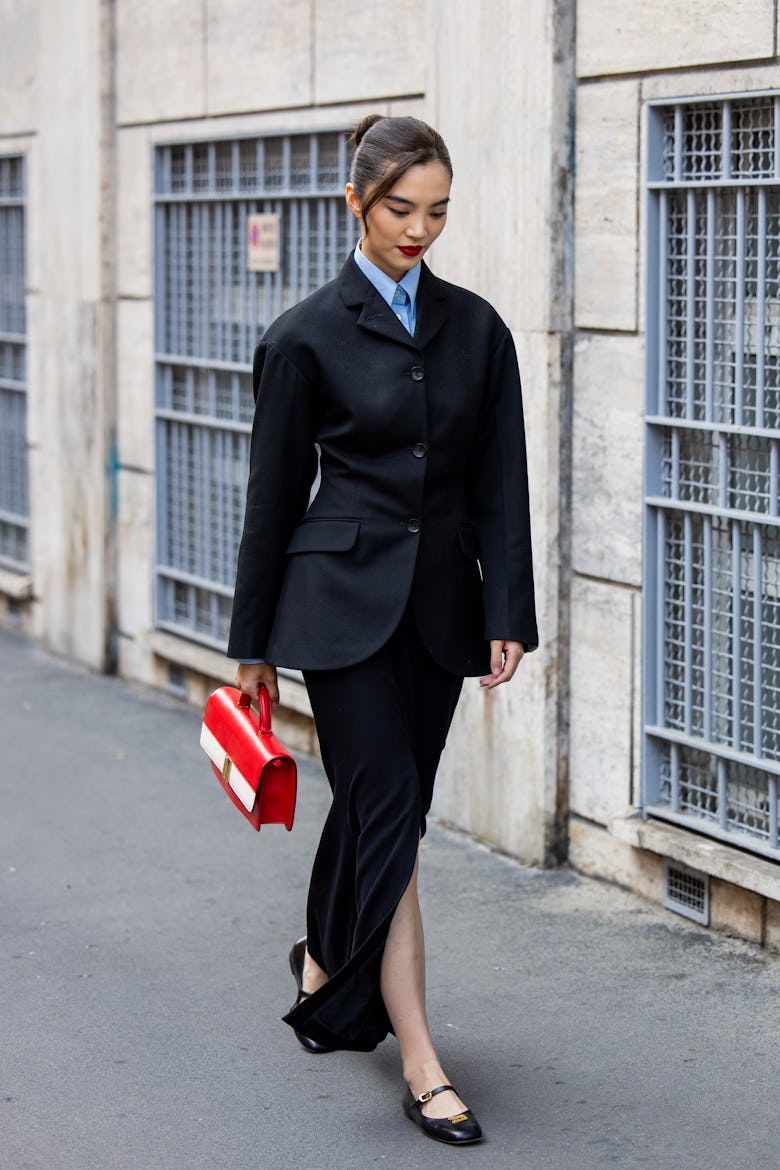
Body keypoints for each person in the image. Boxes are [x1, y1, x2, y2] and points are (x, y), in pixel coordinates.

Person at [228, 114, 537, 1147]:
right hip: (338, 608)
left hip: (444, 608)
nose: (421, 228)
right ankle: (419, 1063)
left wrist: (509, 612)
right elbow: (272, 502)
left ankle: (324, 960)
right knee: (393, 812)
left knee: (378, 809)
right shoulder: (304, 334)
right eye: (402, 208)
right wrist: (252, 643)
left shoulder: (479, 330)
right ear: (354, 203)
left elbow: (502, 485)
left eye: (439, 210)